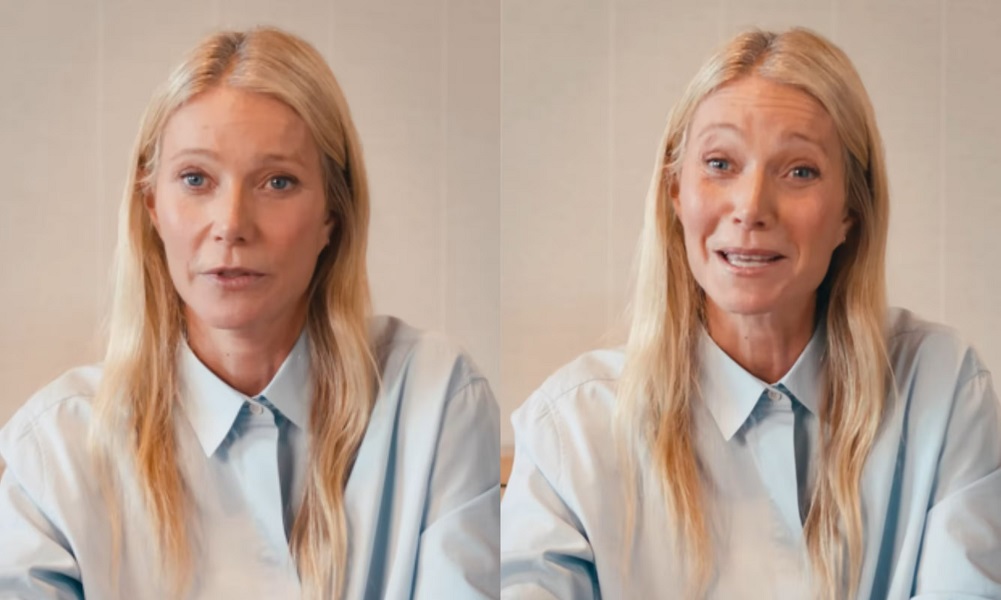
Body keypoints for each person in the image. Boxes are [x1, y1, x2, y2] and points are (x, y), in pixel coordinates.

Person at [500, 27, 1001, 600]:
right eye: (720, 163)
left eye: (800, 171)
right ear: (675, 192)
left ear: (851, 212)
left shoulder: (944, 390)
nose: (751, 206)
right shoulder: (568, 433)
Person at [0, 27, 499, 599]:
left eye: (277, 182)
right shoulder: (55, 452)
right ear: (152, 206)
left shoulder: (438, 399)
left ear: (332, 215)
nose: (232, 224)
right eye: (196, 179)